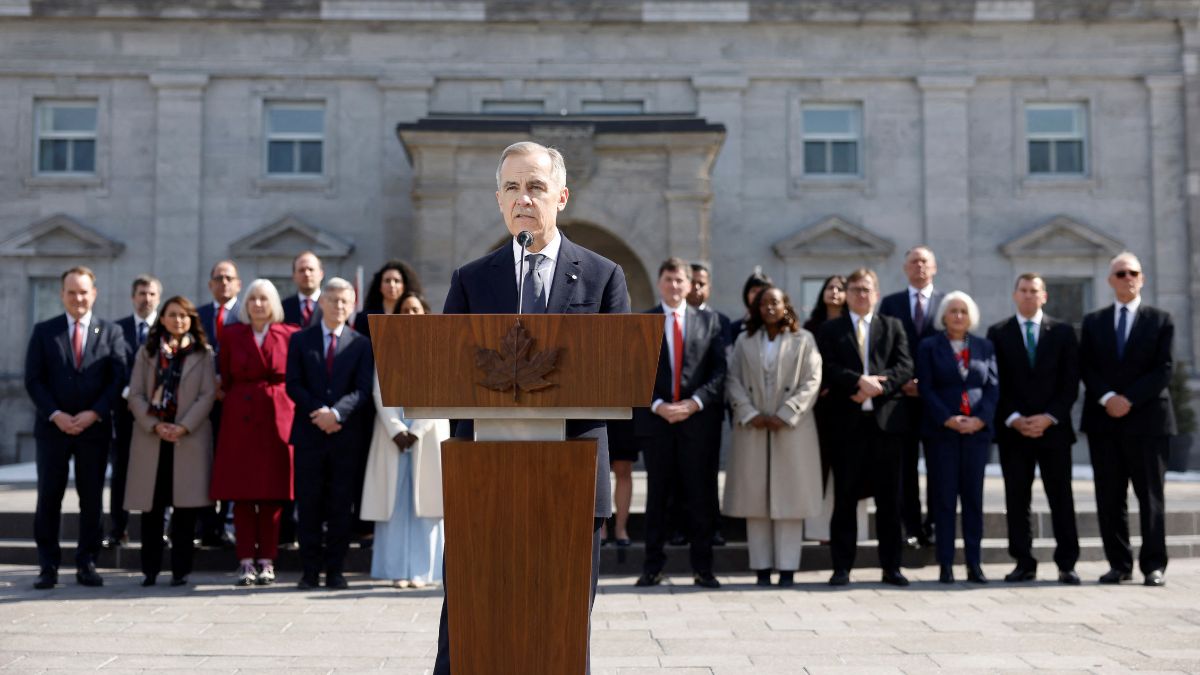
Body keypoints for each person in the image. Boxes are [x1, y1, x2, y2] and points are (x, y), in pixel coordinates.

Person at [435, 141, 630, 675]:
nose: (525, 198)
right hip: (486, 476)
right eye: (513, 187)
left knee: (562, 623)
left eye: (537, 186)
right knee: (473, 618)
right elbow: (447, 372)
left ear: (561, 197)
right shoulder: (472, 280)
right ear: (498, 199)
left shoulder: (602, 276)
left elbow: (622, 373)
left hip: (572, 472)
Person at [25, 267, 127, 590]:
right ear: (62, 294)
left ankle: (87, 562)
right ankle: (48, 566)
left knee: (92, 499)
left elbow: (118, 379)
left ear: (94, 293)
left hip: (93, 430)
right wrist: (55, 413)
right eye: (72, 292)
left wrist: (94, 413)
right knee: (49, 498)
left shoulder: (111, 332)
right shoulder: (44, 331)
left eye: (84, 292)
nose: (78, 298)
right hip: (53, 429)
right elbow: (34, 379)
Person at [1080, 252, 1175, 587]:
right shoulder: (1093, 322)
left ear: (1142, 278)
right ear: (1110, 281)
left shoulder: (1161, 320)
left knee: (1149, 497)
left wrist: (1128, 399)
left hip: (1148, 422)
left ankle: (1153, 565)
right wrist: (1108, 398)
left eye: (1133, 272)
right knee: (1109, 497)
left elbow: (1164, 369)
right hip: (1105, 422)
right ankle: (1119, 564)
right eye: (1120, 274)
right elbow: (1087, 367)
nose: (1127, 278)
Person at [815, 267, 911, 587]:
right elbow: (826, 367)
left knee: (889, 501)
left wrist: (879, 387)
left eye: (866, 289)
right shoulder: (832, 330)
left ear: (876, 293)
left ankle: (891, 568)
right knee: (844, 500)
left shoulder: (892, 326)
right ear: (847, 295)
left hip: (886, 425)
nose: (860, 294)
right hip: (847, 426)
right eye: (854, 289)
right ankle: (841, 567)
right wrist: (856, 381)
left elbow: (904, 365)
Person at [634, 258, 727, 589]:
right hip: (657, 423)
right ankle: (652, 567)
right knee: (657, 497)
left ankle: (703, 569)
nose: (674, 286)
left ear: (690, 286)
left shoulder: (710, 322)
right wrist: (658, 405)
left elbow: (720, 371)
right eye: (669, 280)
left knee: (699, 496)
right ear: (660, 283)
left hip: (696, 423)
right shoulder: (644, 322)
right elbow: (636, 371)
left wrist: (694, 403)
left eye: (680, 281)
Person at [723, 285, 822, 587]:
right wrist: (750, 412)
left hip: (791, 429)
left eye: (775, 302)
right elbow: (733, 378)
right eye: (764, 303)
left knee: (789, 501)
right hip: (754, 427)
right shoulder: (744, 340)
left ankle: (788, 568)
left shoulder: (803, 340)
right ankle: (762, 568)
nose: (769, 307)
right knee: (756, 501)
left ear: (786, 306)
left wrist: (787, 412)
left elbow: (812, 379)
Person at [986, 273, 1081, 585]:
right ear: (1015, 295)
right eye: (1023, 290)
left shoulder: (1064, 333)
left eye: (1034, 291)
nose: (1028, 296)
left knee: (1060, 498)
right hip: (1015, 431)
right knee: (1017, 498)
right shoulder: (998, 333)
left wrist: (1048, 417)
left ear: (1045, 296)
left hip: (1053, 430)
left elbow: (1070, 383)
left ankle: (1067, 563)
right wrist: (1014, 418)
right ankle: (1023, 561)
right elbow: (995, 382)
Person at [286, 277, 374, 590]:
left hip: (345, 436)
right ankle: (309, 571)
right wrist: (320, 413)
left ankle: (335, 571)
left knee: (340, 506)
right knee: (309, 506)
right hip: (310, 435)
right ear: (321, 302)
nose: (338, 306)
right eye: (333, 300)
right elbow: (293, 383)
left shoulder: (361, 343)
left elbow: (363, 389)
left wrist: (336, 414)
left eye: (344, 302)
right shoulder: (300, 340)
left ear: (352, 306)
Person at [209, 279, 299, 586]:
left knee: (273, 496)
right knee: (243, 495)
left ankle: (267, 560)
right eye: (252, 299)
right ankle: (246, 560)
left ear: (273, 303)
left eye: (263, 299)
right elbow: (226, 375)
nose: (258, 304)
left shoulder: (290, 334)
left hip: (277, 418)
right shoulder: (232, 335)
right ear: (245, 305)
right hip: (240, 420)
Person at [125, 296, 217, 587]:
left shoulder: (203, 353)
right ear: (162, 319)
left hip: (187, 439)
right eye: (172, 315)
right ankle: (150, 570)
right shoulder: (147, 352)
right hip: (153, 439)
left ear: (192, 320)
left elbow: (207, 395)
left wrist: (183, 426)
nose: (178, 320)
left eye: (184, 316)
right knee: (151, 509)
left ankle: (180, 570)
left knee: (185, 509)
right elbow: (136, 394)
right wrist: (155, 424)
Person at [360, 292, 448, 589]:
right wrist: (396, 429)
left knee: (428, 505)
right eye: (405, 310)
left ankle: (425, 571)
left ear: (425, 313)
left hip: (427, 434)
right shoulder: (387, 346)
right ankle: (396, 568)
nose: (410, 315)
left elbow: (441, 392)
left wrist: (417, 430)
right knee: (395, 504)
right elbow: (378, 390)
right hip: (393, 436)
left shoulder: (438, 348)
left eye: (416, 310)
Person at [916, 291, 998, 584]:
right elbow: (926, 387)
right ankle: (946, 564)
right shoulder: (929, 347)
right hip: (943, 434)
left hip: (976, 435)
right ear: (944, 316)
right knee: (944, 500)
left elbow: (992, 387)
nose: (958, 316)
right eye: (953, 311)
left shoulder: (983, 346)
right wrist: (948, 419)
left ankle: (974, 563)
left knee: (973, 500)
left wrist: (980, 419)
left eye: (963, 311)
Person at [878, 245, 944, 549]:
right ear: (905, 268)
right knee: (904, 467)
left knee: (936, 465)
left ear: (934, 268)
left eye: (924, 262)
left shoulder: (948, 304)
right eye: (913, 262)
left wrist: (927, 383)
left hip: (936, 400)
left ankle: (934, 525)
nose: (919, 267)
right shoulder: (890, 304)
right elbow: (882, 349)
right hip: (900, 398)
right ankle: (911, 526)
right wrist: (901, 381)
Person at [801, 275, 867, 544]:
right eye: (830, 288)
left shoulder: (857, 327)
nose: (835, 293)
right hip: (817, 409)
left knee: (851, 473)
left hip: (851, 405)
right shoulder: (811, 327)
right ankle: (818, 531)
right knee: (820, 468)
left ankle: (848, 533)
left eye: (841, 289)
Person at [106, 274, 161, 549]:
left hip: (157, 414)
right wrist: (132, 396)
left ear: (158, 298)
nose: (146, 299)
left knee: (158, 473)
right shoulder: (116, 329)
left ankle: (159, 531)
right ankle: (118, 529)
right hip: (125, 414)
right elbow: (116, 368)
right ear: (132, 297)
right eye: (141, 293)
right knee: (122, 472)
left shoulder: (166, 329)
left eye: (151, 294)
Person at [686, 262, 732, 548]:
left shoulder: (719, 321)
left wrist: (699, 400)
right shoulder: (668, 318)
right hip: (673, 411)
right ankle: (679, 527)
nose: (696, 288)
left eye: (702, 283)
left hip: (705, 411)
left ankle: (711, 526)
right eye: (692, 282)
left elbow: (721, 367)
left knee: (706, 475)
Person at [196, 260, 241, 549]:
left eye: (229, 278)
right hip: (203, 404)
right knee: (203, 464)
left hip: (235, 402)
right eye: (218, 278)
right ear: (210, 284)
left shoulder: (246, 314)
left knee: (231, 464)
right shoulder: (198, 316)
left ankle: (227, 522)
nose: (223, 282)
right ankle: (206, 525)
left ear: (238, 283)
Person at [353, 259, 424, 339]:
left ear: (404, 286)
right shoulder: (365, 318)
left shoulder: (412, 313)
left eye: (397, 281)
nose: (392, 285)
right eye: (387, 281)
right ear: (380, 286)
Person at [282, 251, 325, 329]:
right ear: (294, 276)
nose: (307, 274)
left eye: (311, 269)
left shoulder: (332, 305)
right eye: (301, 270)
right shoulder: (283, 307)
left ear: (321, 274)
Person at [729, 269, 773, 341]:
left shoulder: (776, 327)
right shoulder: (734, 329)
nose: (758, 295)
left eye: (762, 291)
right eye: (754, 291)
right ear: (747, 295)